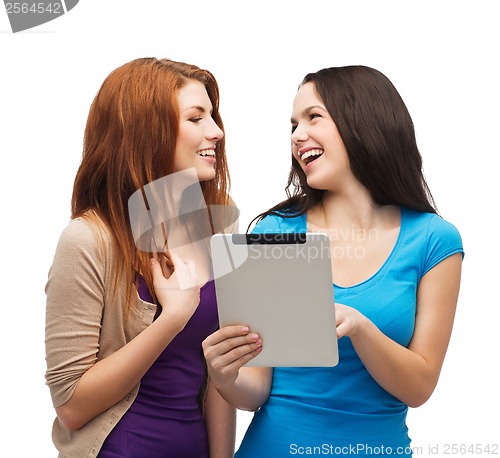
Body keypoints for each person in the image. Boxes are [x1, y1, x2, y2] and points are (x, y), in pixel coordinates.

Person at [202, 65, 464, 457]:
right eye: (292, 125)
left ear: (363, 121)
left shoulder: (433, 241)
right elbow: (256, 388)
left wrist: (360, 328)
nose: (297, 135)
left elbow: (419, 386)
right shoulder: (276, 230)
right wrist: (225, 376)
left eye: (313, 117)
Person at [45, 57, 238, 458]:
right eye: (196, 118)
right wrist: (172, 318)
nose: (216, 131)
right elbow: (71, 406)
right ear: (146, 132)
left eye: (213, 116)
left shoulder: (218, 226)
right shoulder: (87, 240)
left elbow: (220, 374)